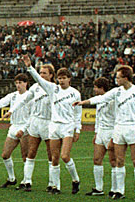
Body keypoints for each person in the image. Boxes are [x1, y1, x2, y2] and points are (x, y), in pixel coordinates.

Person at [74, 66, 135, 200]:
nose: (116, 79)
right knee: (119, 161)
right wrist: (83, 102)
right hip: (119, 129)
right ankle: (119, 191)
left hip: (133, 128)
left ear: (126, 78)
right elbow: (101, 98)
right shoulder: (116, 91)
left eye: (118, 77)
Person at [23, 55, 81, 195]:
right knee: (54, 158)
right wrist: (29, 67)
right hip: (54, 126)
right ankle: (56, 187)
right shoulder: (53, 89)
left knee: (65, 156)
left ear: (69, 79)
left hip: (67, 126)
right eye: (60, 78)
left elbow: (78, 113)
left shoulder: (75, 93)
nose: (61, 80)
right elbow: (38, 79)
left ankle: (75, 179)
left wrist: (77, 129)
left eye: (64, 78)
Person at [0, 73, 31, 188]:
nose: (18, 85)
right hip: (13, 126)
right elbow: (2, 102)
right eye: (17, 83)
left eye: (21, 83)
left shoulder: (30, 96)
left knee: (25, 156)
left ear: (26, 83)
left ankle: (26, 181)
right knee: (5, 154)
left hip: (26, 127)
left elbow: (32, 115)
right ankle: (12, 178)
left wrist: (24, 129)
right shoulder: (13, 95)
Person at [19, 63, 55, 192]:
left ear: (51, 75)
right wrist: (12, 110)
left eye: (44, 73)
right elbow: (24, 100)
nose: (41, 75)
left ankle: (52, 183)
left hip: (48, 122)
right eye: (40, 72)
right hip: (35, 122)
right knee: (31, 152)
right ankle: (27, 181)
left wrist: (29, 67)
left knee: (51, 154)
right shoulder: (35, 87)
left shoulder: (54, 88)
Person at [83, 77, 117, 197]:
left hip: (111, 131)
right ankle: (98, 188)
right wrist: (96, 133)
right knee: (97, 159)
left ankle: (114, 189)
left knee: (113, 161)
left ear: (102, 88)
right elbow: (98, 118)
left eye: (96, 87)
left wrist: (114, 136)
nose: (94, 89)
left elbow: (117, 119)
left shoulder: (113, 100)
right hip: (101, 132)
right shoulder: (98, 100)